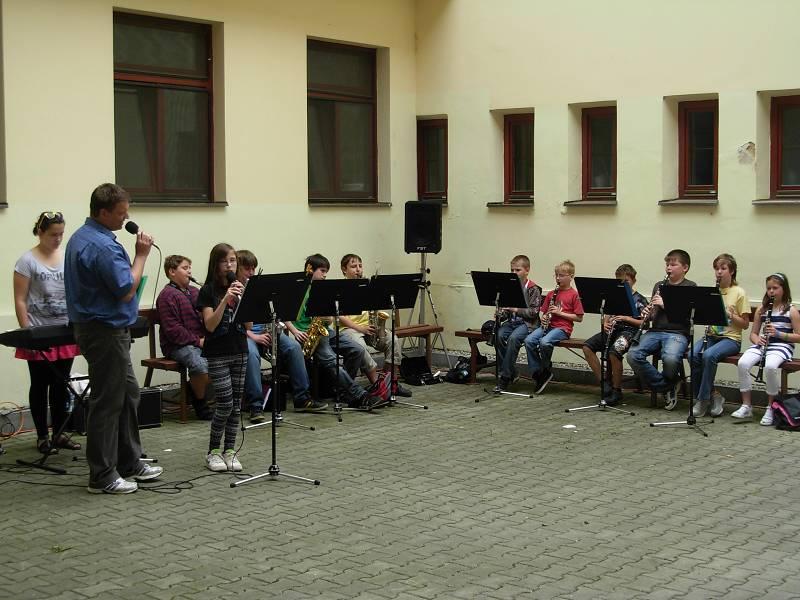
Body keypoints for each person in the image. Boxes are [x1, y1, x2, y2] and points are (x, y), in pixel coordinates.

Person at [65, 183, 163, 494]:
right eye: (121, 213)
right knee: (108, 401)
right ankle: (102, 475)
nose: (126, 218)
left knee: (128, 393)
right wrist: (141, 255)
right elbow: (126, 289)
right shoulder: (101, 246)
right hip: (104, 331)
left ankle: (128, 461)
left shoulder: (84, 237)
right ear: (103, 212)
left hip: (103, 329)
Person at [13, 211, 81, 454]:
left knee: (61, 383)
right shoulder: (27, 261)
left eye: (61, 234)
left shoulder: (66, 258)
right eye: (53, 234)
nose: (58, 239)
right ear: (40, 232)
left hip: (64, 329)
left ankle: (59, 433)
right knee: (40, 384)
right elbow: (20, 299)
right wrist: (27, 333)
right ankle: (42, 436)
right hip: (39, 331)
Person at [284, 254, 387, 410]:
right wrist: (295, 331)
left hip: (324, 331)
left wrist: (328, 318)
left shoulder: (322, 290)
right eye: (322, 271)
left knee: (357, 350)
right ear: (310, 270)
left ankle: (343, 392)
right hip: (307, 334)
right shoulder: (297, 289)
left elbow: (330, 318)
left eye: (326, 271)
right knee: (331, 359)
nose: (325, 275)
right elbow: (283, 313)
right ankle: (358, 395)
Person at [234, 250, 317, 423]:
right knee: (251, 355)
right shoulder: (233, 289)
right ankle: (256, 406)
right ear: (237, 269)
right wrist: (254, 336)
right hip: (245, 334)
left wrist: (288, 330)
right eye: (247, 269)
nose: (251, 273)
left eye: (253, 269)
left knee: (293, 348)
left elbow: (278, 310)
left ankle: (302, 398)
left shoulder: (259, 287)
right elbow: (233, 324)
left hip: (266, 330)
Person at [196, 243, 248, 472]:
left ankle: (230, 450)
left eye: (233, 260)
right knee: (225, 403)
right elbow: (210, 325)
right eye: (224, 261)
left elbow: (248, 325)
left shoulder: (241, 288)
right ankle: (213, 451)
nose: (229, 265)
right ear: (215, 264)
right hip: (217, 353)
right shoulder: (208, 291)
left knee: (236, 406)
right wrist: (225, 300)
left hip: (240, 350)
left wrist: (244, 299)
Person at [626, 249, 696, 410]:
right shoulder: (659, 285)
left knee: (670, 358)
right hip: (655, 331)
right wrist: (648, 313)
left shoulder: (690, 287)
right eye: (667, 264)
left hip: (678, 332)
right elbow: (653, 315)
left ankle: (666, 386)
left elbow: (688, 316)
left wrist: (665, 305)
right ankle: (668, 386)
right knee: (633, 355)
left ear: (685, 268)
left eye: (673, 264)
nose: (668, 268)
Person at [337, 253, 412, 398]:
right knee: (360, 347)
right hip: (349, 329)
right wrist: (359, 328)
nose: (358, 269)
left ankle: (391, 383)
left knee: (393, 340)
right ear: (344, 269)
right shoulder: (340, 288)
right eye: (353, 266)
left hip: (368, 327)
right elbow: (339, 316)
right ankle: (378, 385)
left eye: (360, 266)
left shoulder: (366, 286)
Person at [733, 273, 799, 425]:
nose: (771, 291)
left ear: (784, 289)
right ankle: (746, 405)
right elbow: (753, 334)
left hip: (782, 346)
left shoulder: (791, 310)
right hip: (763, 345)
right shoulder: (762, 309)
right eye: (769, 288)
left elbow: (799, 336)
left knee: (770, 366)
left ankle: (770, 407)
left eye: (775, 288)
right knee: (743, 363)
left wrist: (779, 334)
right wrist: (757, 340)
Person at [155, 255, 213, 420]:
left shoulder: (195, 291)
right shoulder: (166, 296)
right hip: (177, 345)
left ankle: (191, 390)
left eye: (190, 268)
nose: (189, 272)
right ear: (172, 272)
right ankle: (200, 402)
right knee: (200, 366)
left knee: (224, 360)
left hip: (200, 342)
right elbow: (173, 330)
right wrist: (198, 341)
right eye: (185, 268)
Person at [691, 254, 749, 418]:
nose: (719, 272)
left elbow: (745, 324)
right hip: (712, 336)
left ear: (732, 271)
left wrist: (731, 315)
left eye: (723, 268)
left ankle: (702, 400)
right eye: (716, 268)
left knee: (709, 355)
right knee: (693, 354)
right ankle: (713, 395)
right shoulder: (712, 292)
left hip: (731, 339)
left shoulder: (739, 292)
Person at [581, 264, 647, 406]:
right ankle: (604, 383)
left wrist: (626, 318)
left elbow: (644, 323)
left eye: (626, 281)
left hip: (630, 332)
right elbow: (608, 313)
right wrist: (605, 323)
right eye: (620, 281)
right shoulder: (615, 296)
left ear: (634, 280)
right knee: (587, 346)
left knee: (614, 352)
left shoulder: (639, 299)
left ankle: (617, 390)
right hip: (614, 330)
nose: (623, 284)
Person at [525, 259, 584, 394]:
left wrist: (559, 313)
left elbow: (579, 318)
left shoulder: (574, 295)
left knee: (544, 342)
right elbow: (544, 312)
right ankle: (538, 372)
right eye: (556, 275)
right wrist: (544, 317)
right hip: (548, 326)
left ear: (571, 277)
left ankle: (545, 369)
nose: (558, 278)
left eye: (561, 275)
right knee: (529, 340)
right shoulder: (552, 294)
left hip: (563, 329)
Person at [493, 254, 542, 393]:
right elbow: (507, 312)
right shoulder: (510, 287)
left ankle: (505, 377)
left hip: (528, 324)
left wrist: (516, 310)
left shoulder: (533, 289)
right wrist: (501, 313)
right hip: (512, 323)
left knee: (514, 338)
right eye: (512, 270)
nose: (514, 273)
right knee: (498, 335)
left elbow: (533, 313)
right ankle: (512, 371)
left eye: (518, 270)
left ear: (527, 270)